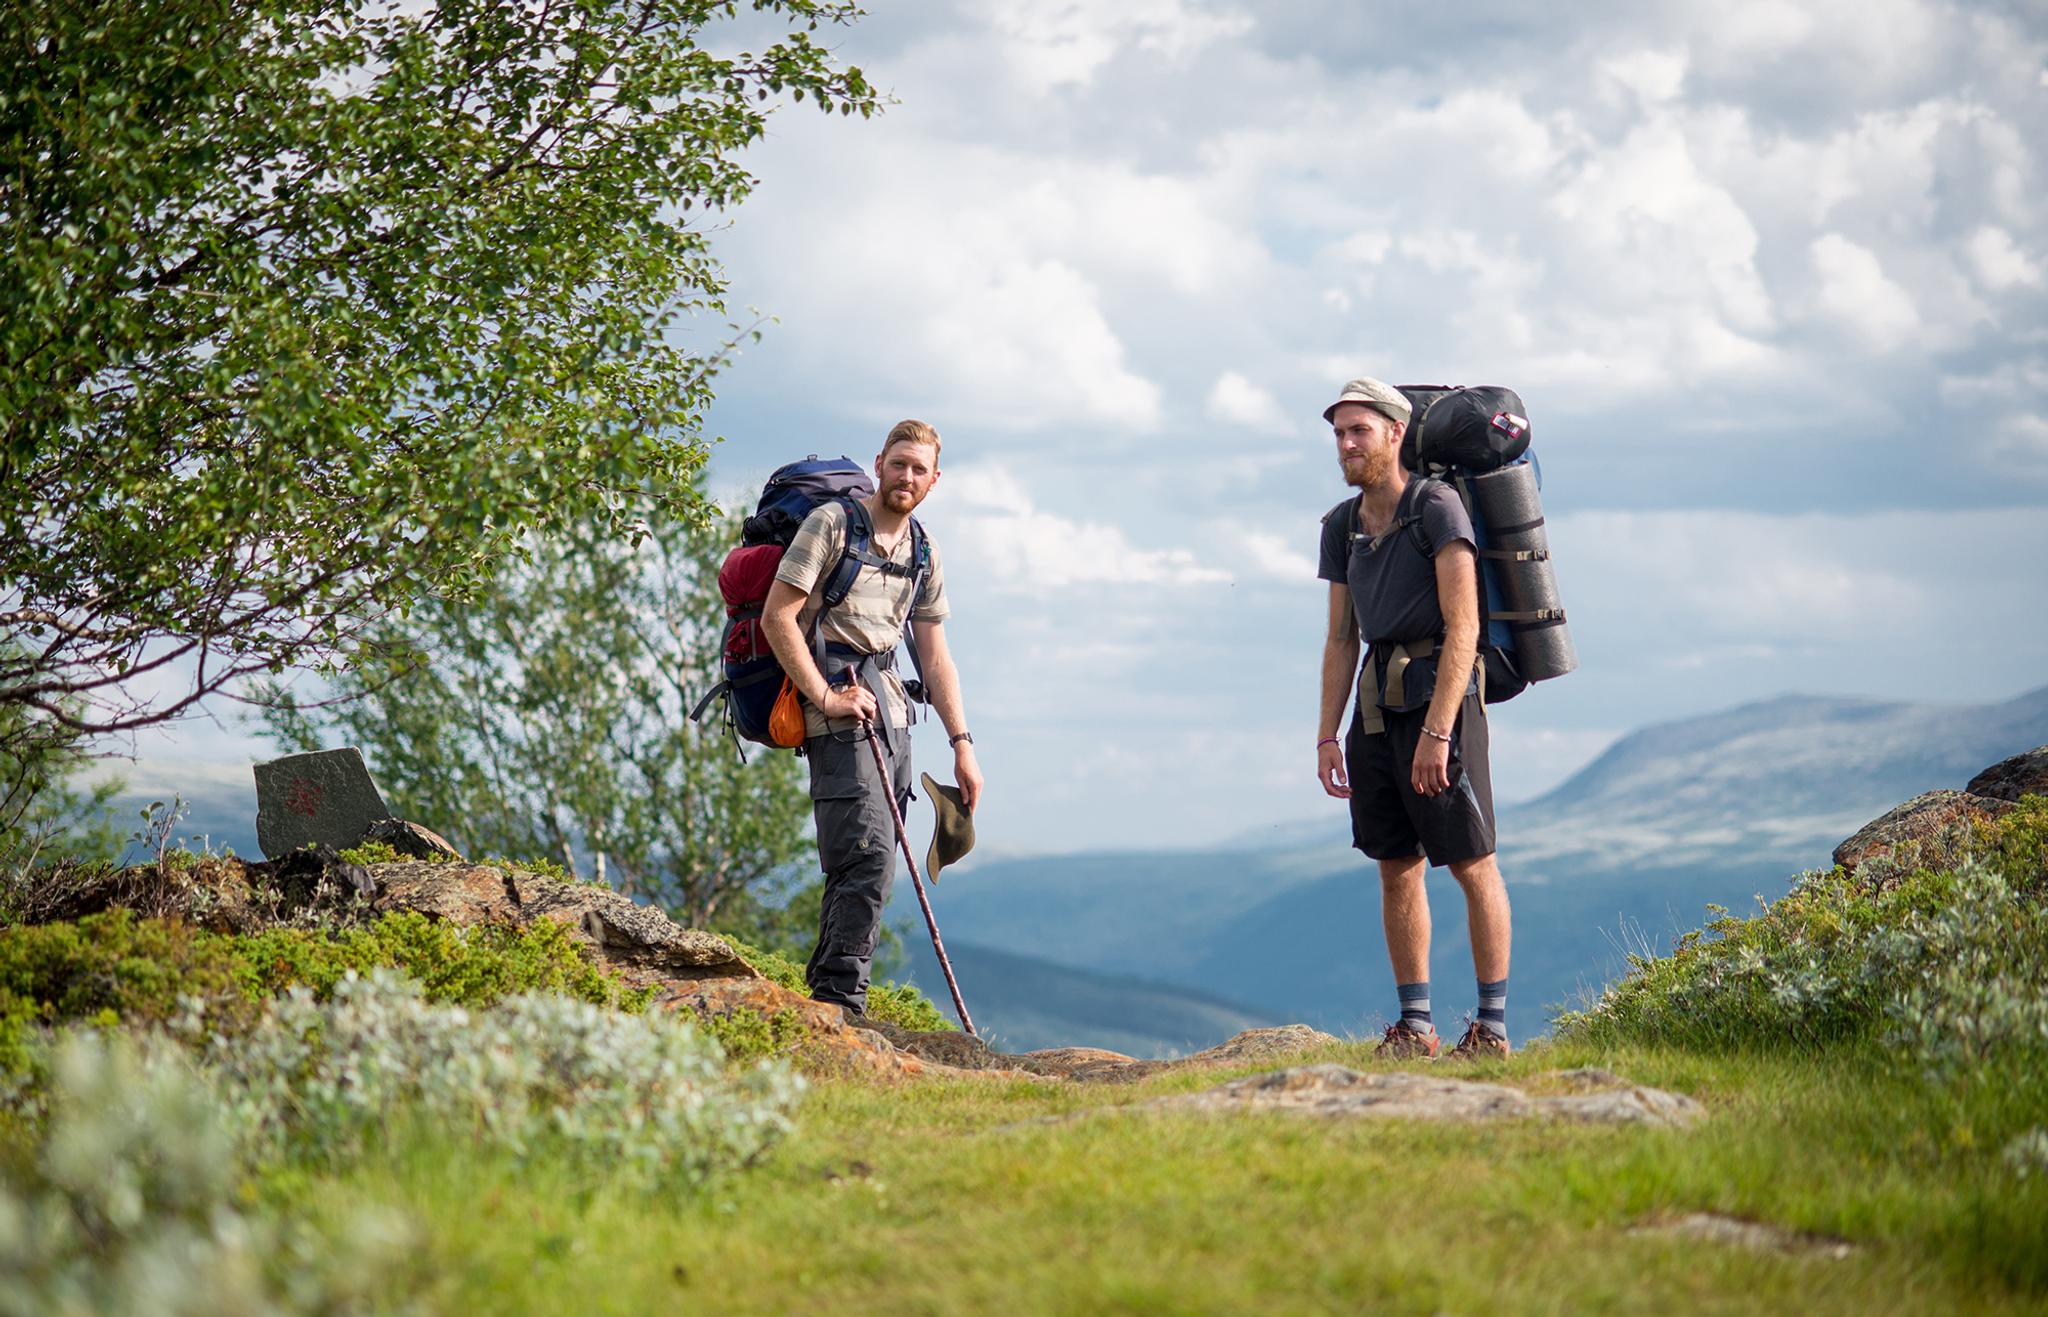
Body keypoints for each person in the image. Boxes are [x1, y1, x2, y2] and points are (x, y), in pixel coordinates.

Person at [1313, 378, 1512, 1059]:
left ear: (1395, 433)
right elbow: (1341, 637)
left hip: (1440, 697)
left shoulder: (1437, 507)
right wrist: (1324, 735)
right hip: (1374, 707)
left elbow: (1465, 626)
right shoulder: (1341, 525)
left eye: (1357, 430)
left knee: (1471, 862)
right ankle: (1417, 1027)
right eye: (1338, 431)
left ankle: (1492, 1029)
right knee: (1395, 863)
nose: (1345, 443)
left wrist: (1438, 729)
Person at [760, 419, 982, 1017]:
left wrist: (962, 743)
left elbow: (935, 656)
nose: (906, 477)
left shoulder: (923, 549)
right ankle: (840, 1003)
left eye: (919, 469)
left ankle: (827, 996)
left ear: (935, 480)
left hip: (894, 716)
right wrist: (825, 698)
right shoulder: (831, 525)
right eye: (898, 463)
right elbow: (778, 617)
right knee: (869, 856)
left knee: (869, 862)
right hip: (837, 710)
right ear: (879, 462)